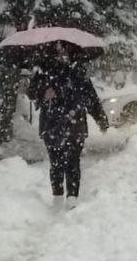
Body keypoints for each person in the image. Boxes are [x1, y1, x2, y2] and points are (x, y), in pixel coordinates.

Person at [27, 42, 109, 206]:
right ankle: (57, 196)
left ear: (71, 50)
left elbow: (90, 98)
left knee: (72, 161)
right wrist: (44, 93)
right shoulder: (44, 71)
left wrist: (101, 119)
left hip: (74, 124)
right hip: (52, 124)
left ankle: (72, 198)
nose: (61, 51)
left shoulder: (78, 71)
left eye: (64, 48)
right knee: (56, 162)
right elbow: (32, 92)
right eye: (57, 48)